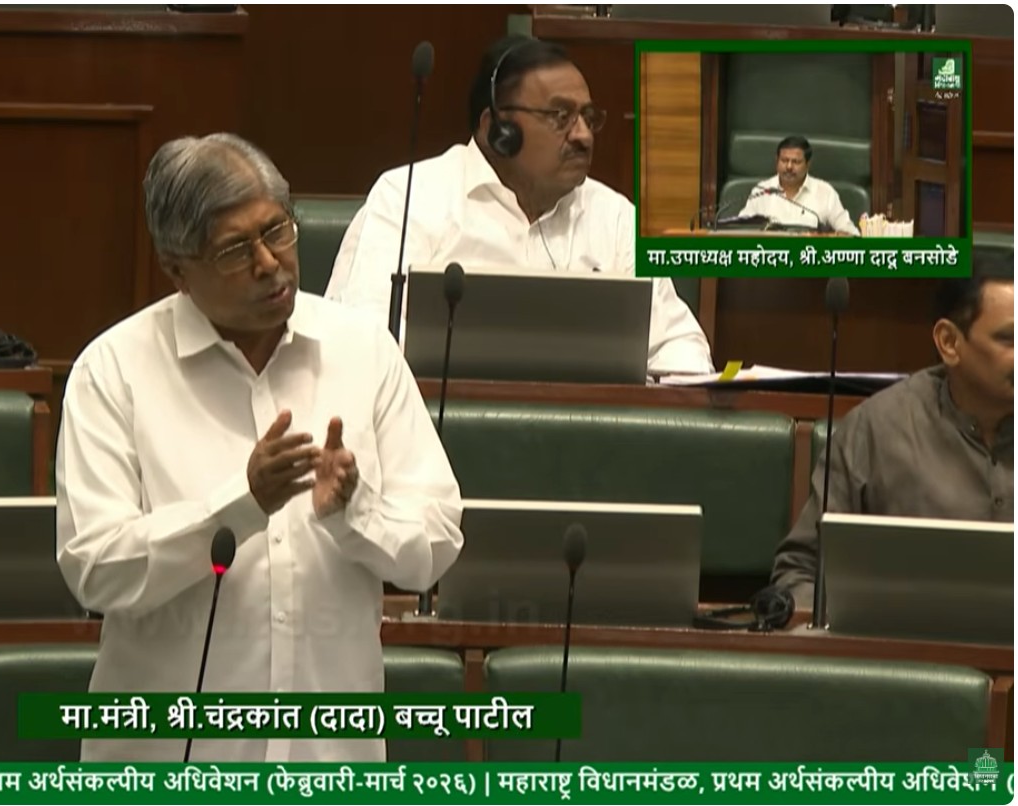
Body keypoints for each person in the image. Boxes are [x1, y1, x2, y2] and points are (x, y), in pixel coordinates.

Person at [55, 133, 464, 763]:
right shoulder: (114, 371)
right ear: (176, 268)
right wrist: (241, 505)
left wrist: (354, 513)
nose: (270, 263)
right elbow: (96, 568)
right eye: (234, 251)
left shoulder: (364, 352)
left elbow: (434, 544)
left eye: (278, 231)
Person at [325, 35, 713, 377]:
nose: (582, 135)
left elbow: (682, 349)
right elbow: (360, 337)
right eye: (560, 116)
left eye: (588, 117)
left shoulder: (614, 218)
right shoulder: (409, 197)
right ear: (497, 129)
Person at [771, 255, 1014, 607]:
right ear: (949, 342)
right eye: (1009, 339)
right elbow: (801, 571)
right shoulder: (876, 429)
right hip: (905, 653)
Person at [735, 136, 861, 236]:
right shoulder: (762, 191)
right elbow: (740, 230)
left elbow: (850, 233)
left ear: (807, 164)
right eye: (784, 160)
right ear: (776, 161)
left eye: (796, 162)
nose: (789, 167)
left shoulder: (825, 192)